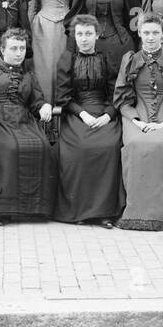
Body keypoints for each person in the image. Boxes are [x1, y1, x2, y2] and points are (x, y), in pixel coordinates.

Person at [0, 27, 57, 224]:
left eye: (22, 48)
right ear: (3, 50)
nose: (18, 53)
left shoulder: (29, 75)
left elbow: (37, 101)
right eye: (14, 48)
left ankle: (32, 208)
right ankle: (1, 209)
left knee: (41, 146)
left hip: (22, 120)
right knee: (9, 148)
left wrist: (44, 106)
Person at [113, 15, 163, 230]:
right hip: (137, 116)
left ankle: (161, 215)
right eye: (146, 32)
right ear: (139, 33)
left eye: (155, 33)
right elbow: (122, 100)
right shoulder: (130, 59)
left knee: (159, 145)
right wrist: (136, 122)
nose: (150, 37)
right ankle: (134, 213)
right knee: (136, 144)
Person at [52, 15, 122, 226]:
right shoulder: (67, 59)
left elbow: (115, 92)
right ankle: (80, 211)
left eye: (88, 34)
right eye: (79, 34)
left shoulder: (107, 58)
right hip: (76, 113)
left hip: (103, 112)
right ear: (74, 36)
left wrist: (108, 115)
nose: (84, 39)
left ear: (97, 35)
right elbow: (62, 96)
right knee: (80, 148)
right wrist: (82, 114)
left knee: (109, 146)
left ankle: (104, 212)